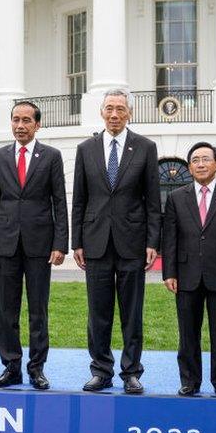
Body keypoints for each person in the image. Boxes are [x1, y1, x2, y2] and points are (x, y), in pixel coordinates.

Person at [72, 89, 161, 393]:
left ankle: (131, 372)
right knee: (98, 312)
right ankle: (101, 370)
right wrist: (77, 242)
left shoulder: (146, 148)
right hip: (95, 242)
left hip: (132, 243)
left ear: (129, 114)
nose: (114, 114)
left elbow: (152, 201)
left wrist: (152, 241)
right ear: (101, 112)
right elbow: (79, 200)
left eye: (120, 109)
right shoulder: (86, 149)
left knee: (131, 312)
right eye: (109, 108)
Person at [0, 101, 67, 390]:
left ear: (37, 124)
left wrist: (60, 243)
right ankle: (11, 367)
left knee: (37, 309)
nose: (20, 125)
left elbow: (60, 201)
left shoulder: (52, 156)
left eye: (26, 120)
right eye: (16, 120)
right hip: (5, 244)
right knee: (6, 309)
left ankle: (36, 368)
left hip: (40, 245)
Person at [162, 142, 216, 398]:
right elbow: (170, 239)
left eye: (205, 159)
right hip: (186, 275)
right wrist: (169, 272)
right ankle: (190, 381)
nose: (200, 164)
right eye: (195, 160)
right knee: (188, 333)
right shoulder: (177, 198)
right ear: (189, 166)